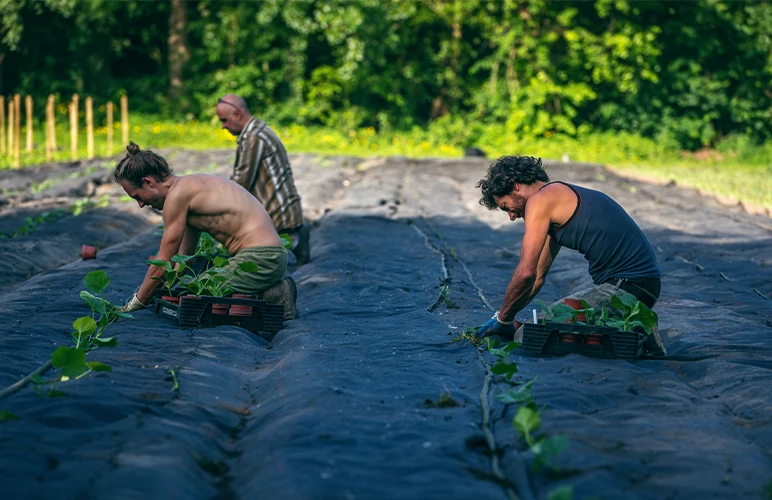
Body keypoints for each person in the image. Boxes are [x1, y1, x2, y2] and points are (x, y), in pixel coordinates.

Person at [475, 155, 665, 353]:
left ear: (515, 186)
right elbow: (537, 278)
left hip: (624, 290)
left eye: (506, 207)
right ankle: (631, 324)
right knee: (535, 328)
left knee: (530, 337)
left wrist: (502, 319)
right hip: (643, 286)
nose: (512, 216)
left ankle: (638, 333)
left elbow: (526, 273)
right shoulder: (556, 196)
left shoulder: (540, 201)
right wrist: (507, 319)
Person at [115, 141, 299, 320]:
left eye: (137, 197)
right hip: (267, 256)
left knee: (196, 294)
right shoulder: (187, 189)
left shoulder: (177, 196)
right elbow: (183, 260)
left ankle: (276, 295)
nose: (140, 205)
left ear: (148, 182)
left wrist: (137, 303)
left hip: (262, 258)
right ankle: (267, 290)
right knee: (187, 291)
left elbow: (164, 260)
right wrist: (163, 290)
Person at [215, 94, 310, 265]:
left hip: (279, 217)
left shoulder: (254, 137)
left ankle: (292, 247)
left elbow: (240, 183)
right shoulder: (258, 130)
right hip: (285, 211)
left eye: (224, 120)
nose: (223, 126)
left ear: (237, 114)